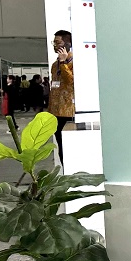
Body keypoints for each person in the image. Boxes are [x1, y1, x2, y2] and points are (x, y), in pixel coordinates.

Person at [48, 30, 75, 165]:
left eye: (58, 42)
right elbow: (54, 87)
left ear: (68, 43)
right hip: (56, 112)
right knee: (60, 146)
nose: (55, 45)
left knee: (70, 148)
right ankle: (65, 170)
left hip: (69, 111)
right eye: (54, 42)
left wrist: (64, 63)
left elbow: (71, 82)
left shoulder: (74, 62)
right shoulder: (55, 65)